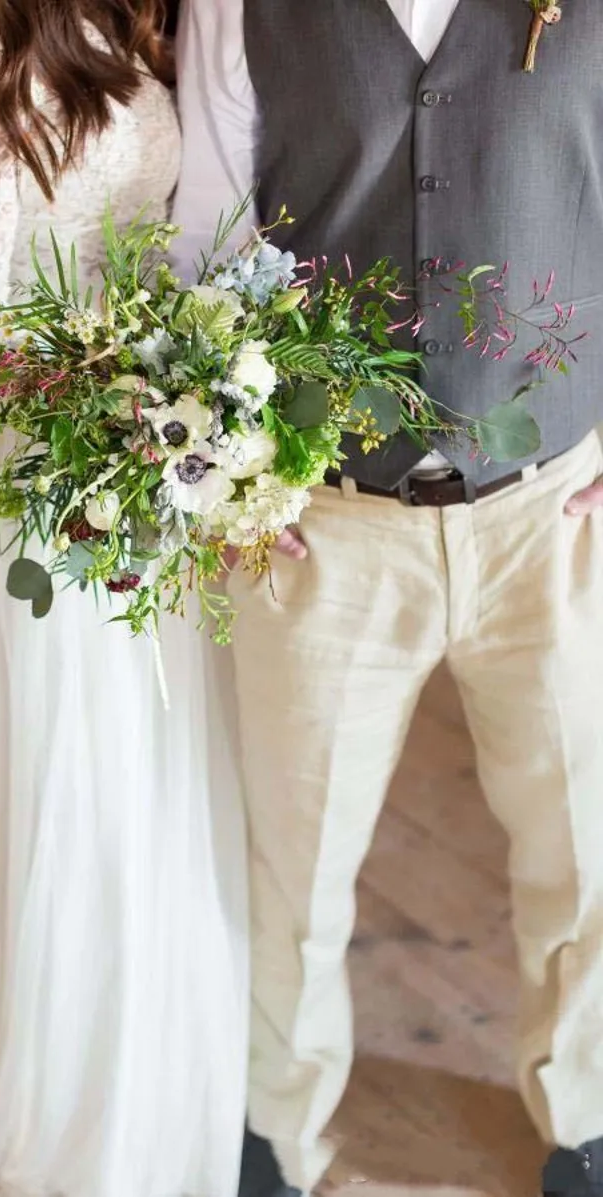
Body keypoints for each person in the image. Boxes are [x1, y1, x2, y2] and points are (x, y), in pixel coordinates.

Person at [172, 2, 603, 1195]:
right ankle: (273, 1129)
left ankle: (585, 1114)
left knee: (584, 843)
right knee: (293, 863)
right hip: (326, 525)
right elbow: (208, 224)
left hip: (551, 506)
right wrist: (227, 468)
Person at [0, 3, 249, 1195]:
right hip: (49, 463)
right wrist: (114, 409)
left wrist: (197, 396)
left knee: (167, 758)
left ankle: (166, 1053)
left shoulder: (143, 26)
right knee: (81, 760)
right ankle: (83, 1097)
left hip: (164, 453)